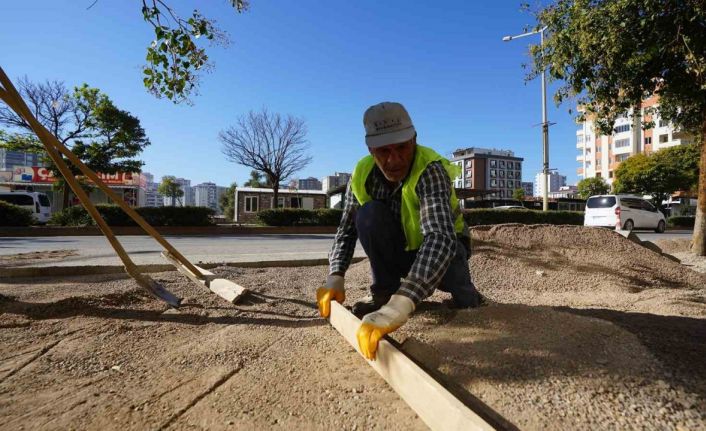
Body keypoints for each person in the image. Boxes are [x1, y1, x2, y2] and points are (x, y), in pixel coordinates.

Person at [316, 101, 482, 360]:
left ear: (414, 140)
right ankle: (383, 295)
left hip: (445, 251)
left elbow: (440, 238)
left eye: (402, 148)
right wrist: (335, 275)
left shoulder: (431, 169)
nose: (394, 160)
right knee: (368, 215)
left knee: (460, 290)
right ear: (370, 149)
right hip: (400, 248)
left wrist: (403, 302)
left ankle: (467, 296)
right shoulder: (361, 174)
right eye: (383, 151)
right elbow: (347, 230)